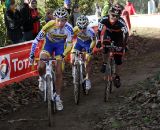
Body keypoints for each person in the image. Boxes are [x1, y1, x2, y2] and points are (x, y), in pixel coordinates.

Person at [29, 7, 73, 111]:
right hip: (48, 45)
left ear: (66, 20)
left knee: (59, 72)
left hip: (60, 47)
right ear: (54, 18)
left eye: (63, 20)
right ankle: (41, 79)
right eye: (58, 20)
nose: (60, 22)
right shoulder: (49, 25)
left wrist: (63, 55)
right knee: (40, 66)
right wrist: (31, 54)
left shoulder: (69, 28)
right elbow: (36, 40)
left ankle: (57, 97)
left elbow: (70, 44)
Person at [96, 4, 129, 88]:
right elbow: (99, 31)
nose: (114, 17)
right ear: (109, 13)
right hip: (109, 34)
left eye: (116, 16)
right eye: (112, 15)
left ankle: (117, 77)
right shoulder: (104, 19)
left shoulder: (121, 22)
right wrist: (99, 41)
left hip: (118, 37)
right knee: (105, 46)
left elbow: (126, 33)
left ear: (119, 16)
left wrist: (124, 45)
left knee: (118, 59)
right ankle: (104, 63)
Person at [71, 15, 96, 93]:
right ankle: (74, 72)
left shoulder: (91, 31)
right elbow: (69, 37)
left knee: (88, 60)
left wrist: (90, 49)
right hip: (79, 43)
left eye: (84, 28)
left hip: (88, 44)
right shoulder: (74, 29)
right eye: (80, 28)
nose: (82, 30)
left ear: (87, 26)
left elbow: (94, 41)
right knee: (72, 57)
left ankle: (87, 79)